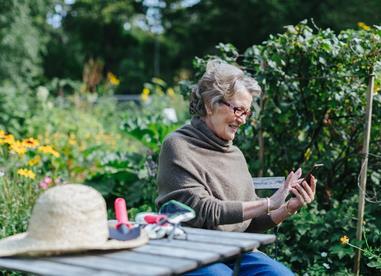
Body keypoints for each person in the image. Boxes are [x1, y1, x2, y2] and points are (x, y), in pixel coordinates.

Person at [156, 59, 316, 275]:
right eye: (238, 109)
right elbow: (202, 210)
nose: (242, 120)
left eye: (247, 113)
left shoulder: (235, 155)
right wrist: (269, 202)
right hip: (193, 250)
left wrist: (288, 207)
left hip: (237, 251)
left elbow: (249, 224)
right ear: (209, 104)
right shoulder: (178, 145)